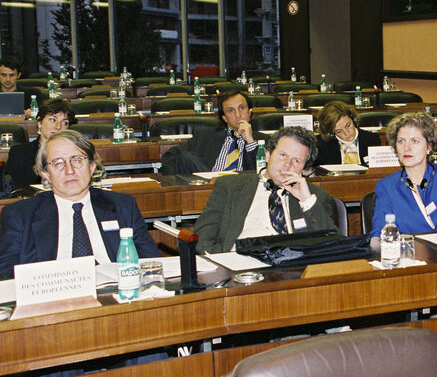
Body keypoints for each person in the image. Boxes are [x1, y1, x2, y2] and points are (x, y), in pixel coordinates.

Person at [0, 130, 160, 279]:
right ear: (46, 174)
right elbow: (7, 277)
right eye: (58, 163)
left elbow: (150, 263)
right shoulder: (20, 215)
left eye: (77, 160)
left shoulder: (123, 206)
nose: (69, 170)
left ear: (91, 167)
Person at [194, 126, 337, 253]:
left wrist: (306, 201)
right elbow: (203, 238)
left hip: (291, 271)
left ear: (304, 168)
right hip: (238, 265)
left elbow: (332, 246)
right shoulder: (230, 186)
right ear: (268, 155)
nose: (287, 165)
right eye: (283, 155)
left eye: (297, 161)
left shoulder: (314, 197)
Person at [372, 112, 437, 238]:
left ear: (429, 147)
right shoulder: (387, 186)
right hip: (407, 254)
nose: (406, 148)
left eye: (414, 141)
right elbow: (379, 235)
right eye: (401, 141)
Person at [160, 89, 267, 174]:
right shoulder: (204, 136)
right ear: (224, 118)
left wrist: (250, 142)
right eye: (231, 110)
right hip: (208, 188)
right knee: (187, 158)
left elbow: (263, 173)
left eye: (241, 108)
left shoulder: (266, 141)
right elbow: (169, 156)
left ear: (249, 112)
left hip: (242, 190)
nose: (238, 115)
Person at [7, 98, 74, 189]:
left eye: (65, 123)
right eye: (52, 120)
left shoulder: (75, 154)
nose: (58, 127)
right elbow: (17, 189)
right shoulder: (19, 153)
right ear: (39, 123)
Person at [315, 101, 382, 166]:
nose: (347, 133)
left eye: (348, 125)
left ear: (354, 120)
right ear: (331, 133)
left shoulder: (373, 140)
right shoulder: (320, 146)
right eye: (339, 131)